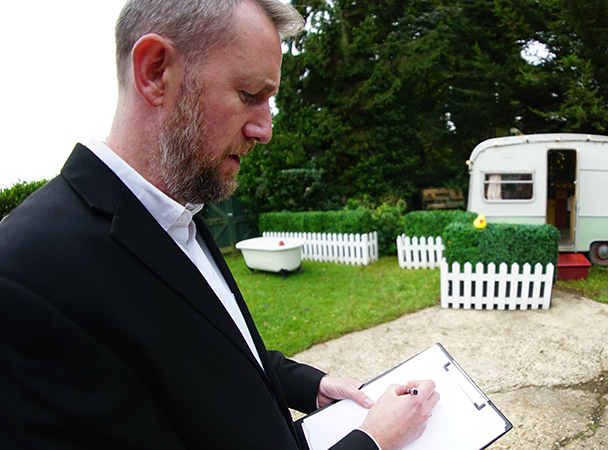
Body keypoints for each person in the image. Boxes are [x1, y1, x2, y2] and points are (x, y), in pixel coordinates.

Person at [0, 1, 438, 448]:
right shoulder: (23, 276)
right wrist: (374, 439)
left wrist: (309, 386)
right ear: (155, 72)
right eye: (250, 95)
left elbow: (206, 352)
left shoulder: (177, 212)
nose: (265, 130)